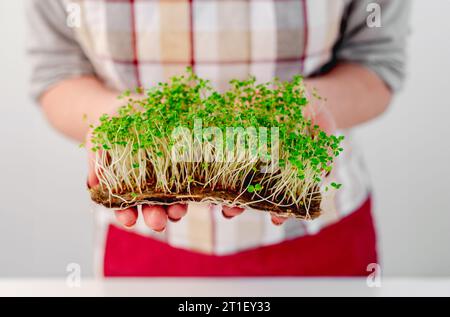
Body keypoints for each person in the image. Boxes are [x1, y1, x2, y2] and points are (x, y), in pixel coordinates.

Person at [27, 0, 410, 276]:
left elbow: (377, 63)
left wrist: (309, 103)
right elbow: (56, 71)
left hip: (323, 238)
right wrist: (111, 116)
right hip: (148, 249)